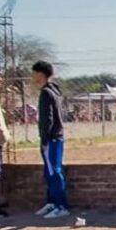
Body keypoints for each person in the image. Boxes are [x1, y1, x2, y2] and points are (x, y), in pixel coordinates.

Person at [31, 61, 70, 219]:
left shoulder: (46, 92)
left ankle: (61, 206)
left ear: (40, 74)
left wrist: (45, 138)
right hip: (55, 137)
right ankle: (52, 202)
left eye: (34, 73)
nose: (33, 76)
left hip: (52, 138)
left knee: (54, 171)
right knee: (49, 172)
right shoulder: (54, 90)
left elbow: (48, 118)